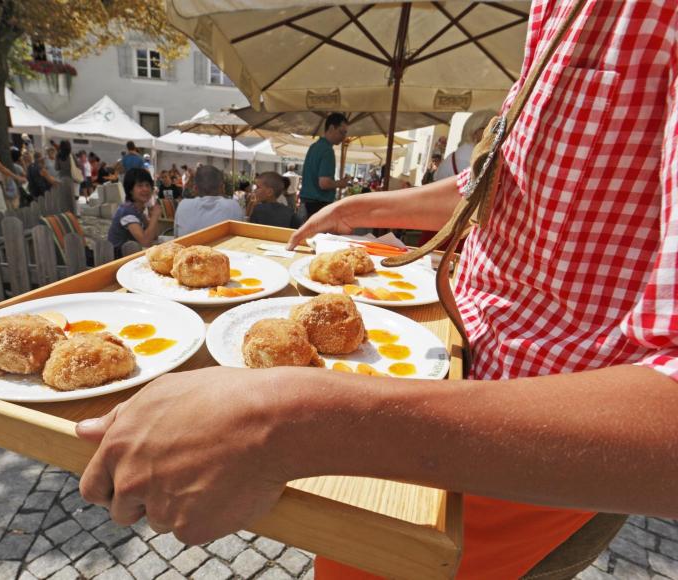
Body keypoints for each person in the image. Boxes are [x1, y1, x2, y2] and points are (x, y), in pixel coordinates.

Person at [75, 3, 678, 580]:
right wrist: (362, 208)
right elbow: (508, 182)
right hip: (443, 350)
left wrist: (293, 423)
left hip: (539, 433)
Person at [300, 113, 352, 218]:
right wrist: (341, 183)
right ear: (332, 128)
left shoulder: (314, 147)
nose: (343, 137)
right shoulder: (327, 151)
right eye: (342, 132)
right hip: (318, 204)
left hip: (306, 203)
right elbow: (324, 183)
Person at [173, 165, 245, 237]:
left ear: (195, 188)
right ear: (222, 187)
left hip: (188, 248)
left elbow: (176, 238)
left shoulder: (183, 206)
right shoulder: (234, 206)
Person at [106, 167, 161, 257]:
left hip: (129, 256)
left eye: (147, 185)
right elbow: (145, 242)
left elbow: (154, 237)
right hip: (117, 261)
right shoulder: (127, 211)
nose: (145, 189)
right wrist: (155, 216)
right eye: (140, 186)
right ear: (130, 190)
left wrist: (152, 218)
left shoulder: (138, 210)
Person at [433, 110, 498, 182]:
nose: (496, 133)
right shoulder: (472, 161)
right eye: (493, 128)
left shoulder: (454, 157)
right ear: (475, 131)